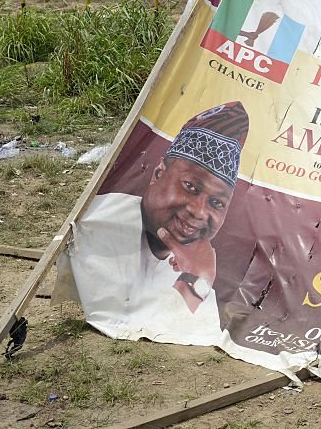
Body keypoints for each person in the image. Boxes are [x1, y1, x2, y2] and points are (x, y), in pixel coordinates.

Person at [65, 102, 250, 345]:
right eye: (190, 187)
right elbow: (125, 313)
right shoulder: (107, 224)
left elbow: (189, 324)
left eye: (217, 203)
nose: (199, 212)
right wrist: (195, 282)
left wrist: (199, 277)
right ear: (158, 173)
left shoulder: (196, 258)